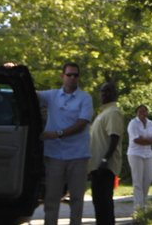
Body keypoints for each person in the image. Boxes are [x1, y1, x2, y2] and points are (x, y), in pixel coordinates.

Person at [37, 62, 94, 225]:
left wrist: (57, 134)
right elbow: (29, 94)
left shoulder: (85, 98)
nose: (72, 78)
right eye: (69, 75)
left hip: (78, 155)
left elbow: (82, 122)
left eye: (76, 75)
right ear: (62, 76)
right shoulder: (51, 95)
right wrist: (14, 70)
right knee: (52, 198)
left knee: (77, 198)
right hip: (54, 155)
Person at [87, 82, 124, 225]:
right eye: (102, 91)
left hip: (105, 167)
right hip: (97, 166)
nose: (104, 94)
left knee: (104, 204)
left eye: (108, 91)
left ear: (115, 94)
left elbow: (114, 138)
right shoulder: (103, 113)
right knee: (99, 204)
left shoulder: (113, 112)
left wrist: (104, 160)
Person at [127, 104, 152, 214]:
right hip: (135, 154)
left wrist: (145, 140)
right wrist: (149, 140)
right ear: (137, 113)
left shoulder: (151, 124)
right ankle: (138, 208)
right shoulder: (133, 123)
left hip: (148, 154)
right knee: (138, 181)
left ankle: (142, 202)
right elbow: (136, 140)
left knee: (148, 179)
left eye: (144, 111)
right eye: (140, 111)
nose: (142, 113)